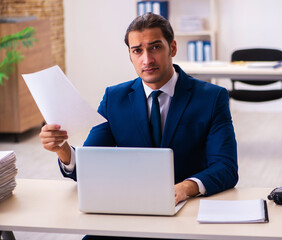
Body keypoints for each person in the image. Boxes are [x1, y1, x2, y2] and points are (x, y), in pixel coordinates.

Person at [39, 12, 238, 239]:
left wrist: (185, 188)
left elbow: (226, 167)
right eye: (138, 51)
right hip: (127, 213)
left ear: (172, 48)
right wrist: (62, 149)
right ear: (130, 55)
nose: (147, 59)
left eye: (155, 47)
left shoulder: (212, 98)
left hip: (186, 215)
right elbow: (91, 162)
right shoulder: (114, 98)